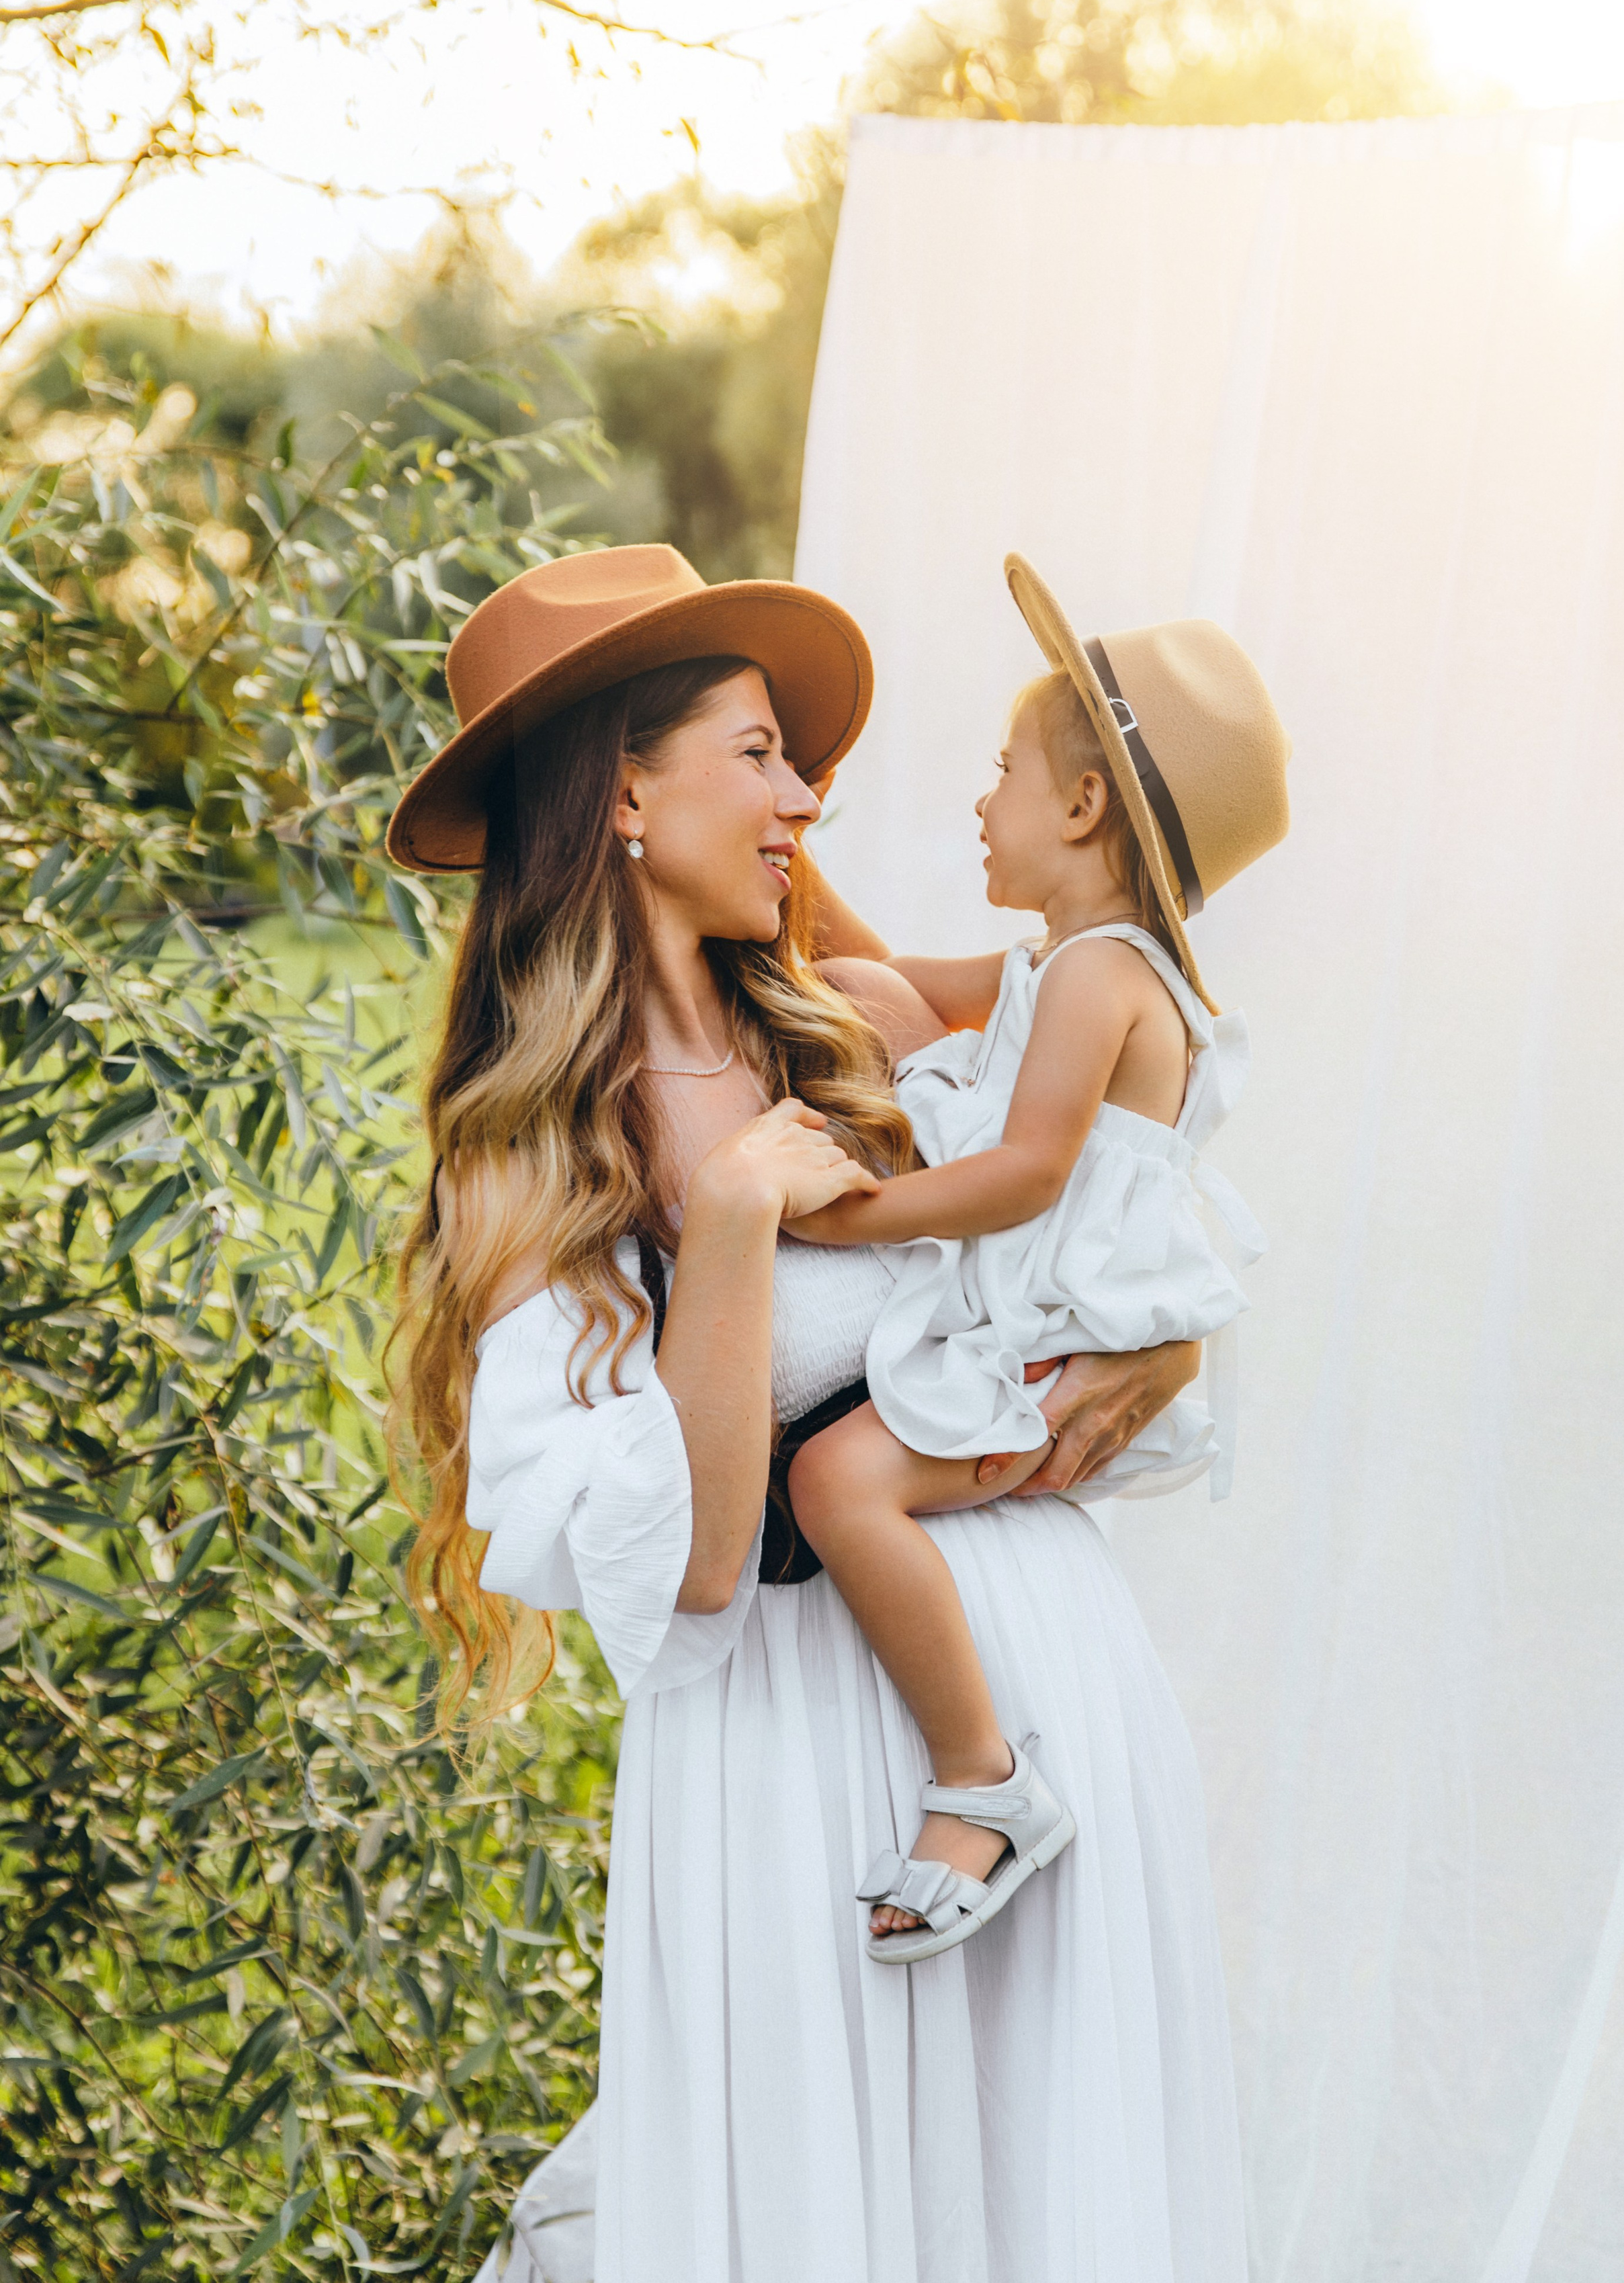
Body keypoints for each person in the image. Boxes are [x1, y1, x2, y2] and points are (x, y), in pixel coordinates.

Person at [388, 544, 1255, 2283]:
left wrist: (1166, 1350)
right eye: (764, 752)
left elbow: (1111, 1144)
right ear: (625, 788)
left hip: (1042, 1694)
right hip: (788, 1752)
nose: (812, 799)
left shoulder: (836, 1019)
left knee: (1040, 2219)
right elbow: (700, 1559)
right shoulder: (534, 1159)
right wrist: (726, 1227)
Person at [781, 555, 1288, 1963]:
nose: (976, 797)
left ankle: (983, 1779)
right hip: (1025, 1313)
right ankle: (980, 1771)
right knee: (880, 994)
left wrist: (841, 1217)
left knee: (836, 1480)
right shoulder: (1058, 966)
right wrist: (773, 834)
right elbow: (871, 979)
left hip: (1050, 1346)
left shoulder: (1099, 975)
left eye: (1001, 768)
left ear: (1079, 806)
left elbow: (1024, 1171)